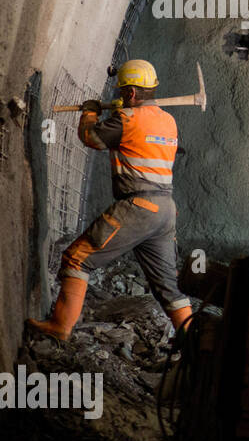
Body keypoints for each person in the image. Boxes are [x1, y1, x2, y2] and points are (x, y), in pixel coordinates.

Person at [26, 60, 191, 343]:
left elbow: (92, 138)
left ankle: (60, 326)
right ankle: (195, 345)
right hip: (165, 210)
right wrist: (121, 113)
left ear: (131, 93)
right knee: (169, 287)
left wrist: (90, 112)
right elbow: (139, 138)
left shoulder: (128, 120)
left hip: (138, 207)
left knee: (77, 258)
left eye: (123, 93)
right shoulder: (168, 121)